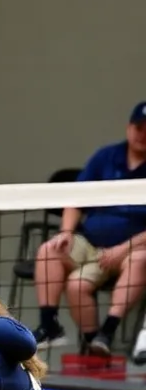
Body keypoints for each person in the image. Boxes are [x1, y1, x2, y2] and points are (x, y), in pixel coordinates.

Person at [34, 101, 146, 356]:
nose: (143, 134)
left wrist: (122, 249)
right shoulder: (105, 156)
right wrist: (66, 232)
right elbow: (75, 198)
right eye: (139, 127)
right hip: (90, 242)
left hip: (134, 248)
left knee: (141, 258)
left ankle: (107, 332)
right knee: (50, 250)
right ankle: (52, 327)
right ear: (129, 128)